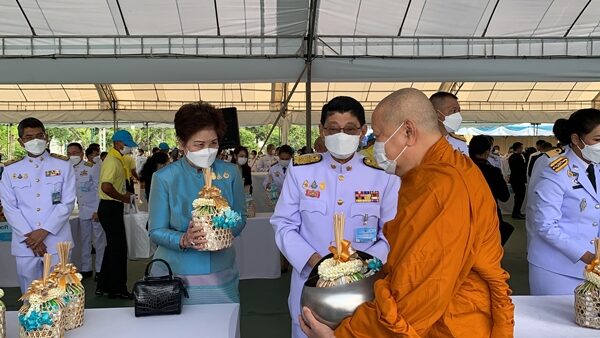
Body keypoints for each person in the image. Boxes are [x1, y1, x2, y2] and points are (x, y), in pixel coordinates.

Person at [300, 88, 514, 338]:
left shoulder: (440, 187)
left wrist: (342, 335)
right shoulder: (444, 170)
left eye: (380, 136)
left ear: (408, 132)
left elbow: (414, 302)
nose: (376, 146)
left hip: (450, 325)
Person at [271, 96, 401, 338]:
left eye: (350, 129)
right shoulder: (301, 170)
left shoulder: (384, 175)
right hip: (310, 287)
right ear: (321, 130)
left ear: (362, 131)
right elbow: (283, 223)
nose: (341, 135)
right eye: (333, 129)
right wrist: (314, 261)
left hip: (364, 288)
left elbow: (391, 232)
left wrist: (361, 266)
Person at [149, 102, 246, 304]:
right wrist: (183, 239)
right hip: (176, 271)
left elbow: (241, 216)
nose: (208, 150)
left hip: (221, 268)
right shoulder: (164, 177)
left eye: (213, 143)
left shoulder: (231, 173)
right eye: (199, 145)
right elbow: (155, 230)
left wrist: (224, 231)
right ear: (182, 143)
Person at [527, 109, 600, 295]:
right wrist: (588, 256)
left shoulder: (596, 168)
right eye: (597, 140)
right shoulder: (555, 172)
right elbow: (545, 225)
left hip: (591, 266)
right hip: (556, 269)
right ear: (576, 140)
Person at [0, 117, 76, 293]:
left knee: (59, 291)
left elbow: (67, 202)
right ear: (20, 141)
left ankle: (61, 321)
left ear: (46, 136)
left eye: (39, 135)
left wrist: (43, 232)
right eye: (28, 137)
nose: (35, 140)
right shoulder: (11, 170)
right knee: (30, 293)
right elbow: (10, 207)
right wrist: (32, 238)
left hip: (57, 242)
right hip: (25, 242)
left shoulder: (63, 165)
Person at [96, 130, 136, 299]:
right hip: (110, 206)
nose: (129, 148)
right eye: (127, 144)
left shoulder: (117, 159)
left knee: (112, 248)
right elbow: (106, 186)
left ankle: (104, 285)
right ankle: (117, 288)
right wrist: (124, 198)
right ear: (118, 143)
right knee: (119, 249)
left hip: (111, 206)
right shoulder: (112, 161)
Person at [67, 142, 106, 279]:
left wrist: (98, 210)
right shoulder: (67, 169)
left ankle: (100, 269)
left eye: (75, 153)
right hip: (82, 210)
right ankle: (86, 268)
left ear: (82, 153)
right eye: (69, 153)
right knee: (84, 240)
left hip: (94, 208)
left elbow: (99, 189)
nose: (72, 156)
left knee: (99, 240)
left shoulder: (91, 168)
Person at [469, 136, 513, 245]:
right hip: (489, 217)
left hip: (466, 215)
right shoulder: (493, 172)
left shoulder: (461, 170)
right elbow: (504, 196)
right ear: (487, 151)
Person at [508, 142, 527, 219]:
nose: (522, 149)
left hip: (514, 179)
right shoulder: (518, 157)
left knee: (518, 197)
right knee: (520, 197)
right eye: (521, 148)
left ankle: (517, 212)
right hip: (518, 180)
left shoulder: (512, 156)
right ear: (518, 148)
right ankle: (516, 213)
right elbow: (521, 169)